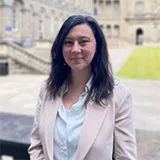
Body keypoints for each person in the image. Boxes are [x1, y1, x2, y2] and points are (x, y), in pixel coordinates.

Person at [28, 15, 137, 160]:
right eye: (68, 42)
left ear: (97, 45)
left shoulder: (118, 96)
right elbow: (37, 145)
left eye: (83, 41)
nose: (75, 49)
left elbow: (125, 157)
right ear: (61, 47)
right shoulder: (47, 90)